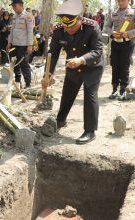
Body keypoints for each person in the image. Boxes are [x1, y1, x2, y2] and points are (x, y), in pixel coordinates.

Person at [42, 0, 104, 144]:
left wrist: (81, 60)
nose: (68, 30)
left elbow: (97, 51)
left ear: (80, 20)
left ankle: (90, 131)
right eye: (66, 27)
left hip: (92, 66)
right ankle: (61, 120)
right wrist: (48, 75)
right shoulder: (58, 30)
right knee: (68, 92)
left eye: (72, 27)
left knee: (90, 95)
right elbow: (53, 54)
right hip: (72, 66)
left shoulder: (92, 27)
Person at [103, 0, 135, 100]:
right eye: (119, 0)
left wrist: (129, 33)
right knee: (114, 65)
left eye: (123, 0)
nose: (120, 2)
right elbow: (106, 27)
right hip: (115, 42)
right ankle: (114, 90)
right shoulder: (113, 12)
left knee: (124, 66)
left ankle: (122, 90)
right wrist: (112, 32)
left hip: (127, 43)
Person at [7, 0, 34, 89]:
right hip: (14, 45)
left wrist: (30, 45)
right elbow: (12, 31)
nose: (13, 8)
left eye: (15, 5)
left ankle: (28, 84)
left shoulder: (28, 16)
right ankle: (18, 83)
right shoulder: (14, 16)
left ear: (21, 5)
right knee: (14, 64)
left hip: (23, 45)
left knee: (24, 64)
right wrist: (9, 43)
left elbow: (30, 31)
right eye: (13, 6)